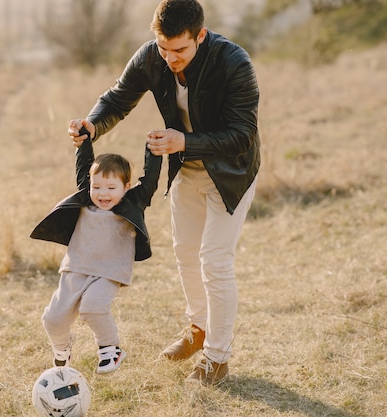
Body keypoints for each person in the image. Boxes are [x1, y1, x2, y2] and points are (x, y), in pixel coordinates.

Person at [67, 0, 260, 385]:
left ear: (200, 37)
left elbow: (243, 135)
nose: (170, 58)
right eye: (163, 48)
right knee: (186, 254)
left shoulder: (234, 62)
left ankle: (218, 358)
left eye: (180, 50)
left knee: (214, 261)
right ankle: (198, 328)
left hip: (232, 174)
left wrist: (183, 140)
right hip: (185, 168)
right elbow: (118, 98)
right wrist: (92, 124)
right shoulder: (152, 57)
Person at [30, 128, 162, 374]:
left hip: (109, 272)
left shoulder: (133, 202)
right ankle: (63, 346)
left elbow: (151, 180)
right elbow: (83, 166)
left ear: (126, 187)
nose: (103, 194)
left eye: (111, 188)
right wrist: (84, 139)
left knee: (93, 307)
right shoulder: (86, 197)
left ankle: (110, 349)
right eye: (97, 186)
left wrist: (153, 151)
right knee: (53, 319)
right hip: (76, 267)